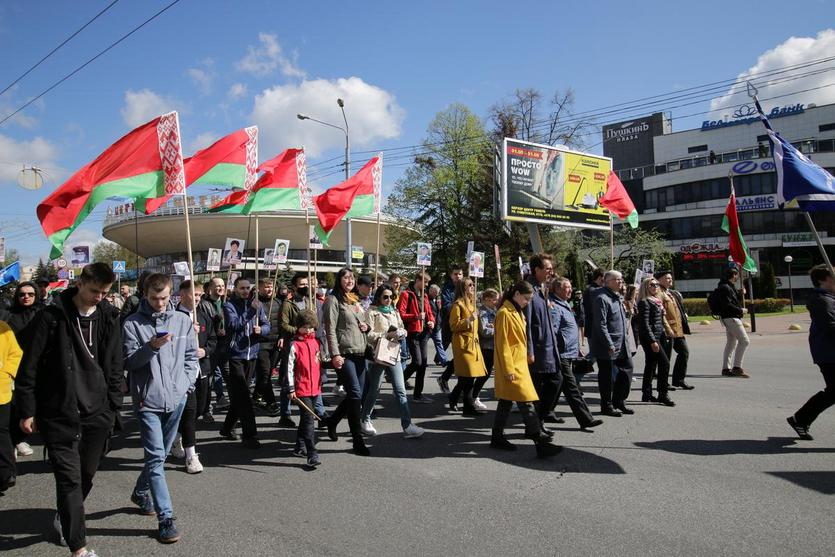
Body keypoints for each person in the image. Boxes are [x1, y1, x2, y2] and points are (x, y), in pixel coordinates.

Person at [16, 263, 123, 556]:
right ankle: (79, 547)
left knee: (86, 476)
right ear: (79, 283)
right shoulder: (51, 317)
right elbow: (30, 366)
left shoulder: (110, 317)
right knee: (69, 479)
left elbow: (115, 366)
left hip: (97, 414)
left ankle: (65, 515)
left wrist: (114, 407)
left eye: (104, 292)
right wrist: (28, 409)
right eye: (93, 291)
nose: (98, 297)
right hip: (59, 413)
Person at [124, 273, 198, 544]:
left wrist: (185, 385)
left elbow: (192, 357)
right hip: (148, 402)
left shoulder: (182, 320)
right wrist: (151, 347)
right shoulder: (132, 323)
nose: (159, 303)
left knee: (163, 454)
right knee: (156, 458)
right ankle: (166, 518)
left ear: (172, 295)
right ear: (145, 295)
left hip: (176, 398)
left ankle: (141, 491)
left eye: (164, 298)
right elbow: (129, 362)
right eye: (154, 298)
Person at [490, 281, 562, 458]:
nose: (528, 302)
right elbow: (503, 344)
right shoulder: (504, 313)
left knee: (506, 402)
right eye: (526, 299)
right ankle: (539, 440)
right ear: (516, 294)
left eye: (530, 299)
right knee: (526, 402)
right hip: (512, 366)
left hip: (518, 365)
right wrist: (508, 369)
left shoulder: (515, 311)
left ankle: (497, 437)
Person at [361, 285, 425, 439]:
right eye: (385, 297)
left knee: (400, 390)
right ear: (378, 297)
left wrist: (402, 332)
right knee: (374, 390)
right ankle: (365, 420)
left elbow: (402, 327)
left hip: (393, 353)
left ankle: (407, 425)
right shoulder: (372, 312)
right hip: (379, 355)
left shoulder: (394, 311)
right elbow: (368, 334)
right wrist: (386, 334)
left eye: (391, 297)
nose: (389, 300)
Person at [322, 268, 371, 456]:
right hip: (344, 353)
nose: (350, 280)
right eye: (346, 277)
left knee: (355, 396)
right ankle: (357, 441)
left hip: (360, 352)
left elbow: (362, 322)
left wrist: (365, 327)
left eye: (352, 277)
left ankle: (333, 421)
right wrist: (335, 354)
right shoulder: (332, 300)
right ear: (339, 280)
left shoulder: (353, 299)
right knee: (356, 395)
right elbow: (330, 329)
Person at [221, 277, 270, 448]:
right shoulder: (229, 305)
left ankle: (227, 428)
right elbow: (234, 325)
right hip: (236, 355)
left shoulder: (257, 304)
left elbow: (266, 325)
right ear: (235, 289)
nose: (245, 291)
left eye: (248, 288)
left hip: (252, 354)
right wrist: (250, 311)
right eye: (242, 288)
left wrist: (261, 329)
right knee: (245, 397)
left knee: (240, 397)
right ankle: (250, 435)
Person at [172, 280, 216, 474]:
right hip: (182, 372)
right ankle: (191, 456)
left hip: (202, 370)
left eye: (199, 295)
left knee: (198, 409)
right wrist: (189, 333)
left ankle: (176, 436)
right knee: (190, 411)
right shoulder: (172, 317)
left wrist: (204, 351)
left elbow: (214, 341)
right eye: (193, 295)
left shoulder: (204, 316)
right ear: (182, 295)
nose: (197, 299)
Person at [787, 264, 835, 440]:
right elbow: (829, 326)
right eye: (833, 276)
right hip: (829, 353)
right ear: (823, 279)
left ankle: (800, 419)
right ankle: (800, 419)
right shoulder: (820, 300)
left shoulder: (829, 298)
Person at [548, 278, 603, 430]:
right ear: (557, 289)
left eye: (571, 287)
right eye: (567, 288)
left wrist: (576, 347)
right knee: (572, 388)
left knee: (557, 386)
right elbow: (553, 331)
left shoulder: (564, 303)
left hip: (569, 352)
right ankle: (586, 419)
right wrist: (559, 350)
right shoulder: (554, 306)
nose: (570, 290)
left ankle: (545, 413)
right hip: (561, 354)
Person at [0, 281, 44, 458]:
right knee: (15, 407)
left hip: (37, 366)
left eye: (30, 294)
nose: (26, 297)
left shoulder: (43, 314)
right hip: (15, 369)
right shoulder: (8, 316)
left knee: (37, 404)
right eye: (22, 294)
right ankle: (15, 440)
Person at [590, 270, 635, 417]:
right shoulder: (601, 298)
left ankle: (619, 400)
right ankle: (606, 405)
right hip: (608, 344)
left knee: (627, 370)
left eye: (621, 279)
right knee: (606, 376)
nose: (621, 282)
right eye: (617, 280)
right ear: (607, 281)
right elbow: (600, 324)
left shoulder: (617, 297)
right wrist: (609, 343)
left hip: (622, 342)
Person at [525, 254, 563, 429]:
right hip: (538, 349)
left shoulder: (541, 288)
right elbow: (527, 323)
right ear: (537, 270)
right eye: (547, 268)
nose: (551, 272)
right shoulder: (529, 291)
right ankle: (535, 425)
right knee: (540, 387)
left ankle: (537, 422)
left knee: (554, 381)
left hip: (548, 347)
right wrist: (529, 350)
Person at [286, 310, 323, 467]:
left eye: (310, 327)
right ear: (298, 327)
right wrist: (290, 388)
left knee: (305, 418)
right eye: (304, 327)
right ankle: (311, 452)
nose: (308, 330)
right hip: (301, 387)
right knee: (309, 420)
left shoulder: (316, 343)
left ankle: (299, 445)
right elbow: (288, 368)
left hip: (315, 387)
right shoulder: (294, 345)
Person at [279, 273, 316, 423]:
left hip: (308, 344)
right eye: (302, 284)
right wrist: (298, 330)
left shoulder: (309, 302)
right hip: (293, 344)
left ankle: (316, 410)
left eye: (306, 284)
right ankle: (285, 413)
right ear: (294, 287)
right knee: (288, 378)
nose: (305, 287)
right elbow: (283, 324)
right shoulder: (287, 304)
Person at [447, 277, 487, 416]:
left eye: (473, 285)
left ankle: (457, 400)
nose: (473, 287)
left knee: (469, 377)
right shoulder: (458, 305)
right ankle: (467, 406)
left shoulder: (472, 304)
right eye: (470, 285)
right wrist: (469, 319)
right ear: (463, 288)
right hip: (463, 344)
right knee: (467, 376)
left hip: (473, 344)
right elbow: (453, 325)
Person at [636, 278, 675, 407]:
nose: (655, 287)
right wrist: (653, 341)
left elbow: (661, 319)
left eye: (657, 284)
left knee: (651, 364)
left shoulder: (656, 300)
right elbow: (645, 324)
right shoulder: (644, 302)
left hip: (660, 335)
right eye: (652, 285)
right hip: (651, 338)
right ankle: (662, 394)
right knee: (664, 363)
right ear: (646, 287)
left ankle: (646, 393)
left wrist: (668, 331)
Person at [399, 272, 436, 403]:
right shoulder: (406, 294)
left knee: (423, 364)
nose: (426, 285)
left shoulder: (424, 295)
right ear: (417, 281)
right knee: (417, 362)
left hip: (424, 333)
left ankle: (418, 394)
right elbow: (401, 314)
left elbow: (429, 312)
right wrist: (415, 317)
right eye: (425, 282)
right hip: (413, 331)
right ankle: (399, 381)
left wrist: (431, 321)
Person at [656, 270, 692, 390]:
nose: (670, 280)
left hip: (678, 330)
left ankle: (679, 379)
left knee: (684, 352)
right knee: (666, 358)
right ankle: (663, 383)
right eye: (667, 278)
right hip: (667, 330)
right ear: (659, 280)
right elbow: (660, 313)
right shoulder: (658, 293)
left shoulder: (671, 293)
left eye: (671, 278)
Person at [252, 278, 281, 418]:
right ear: (259, 288)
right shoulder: (255, 303)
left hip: (275, 343)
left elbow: (282, 322)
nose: (269, 289)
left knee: (268, 374)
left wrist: (282, 337)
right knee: (264, 372)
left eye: (271, 287)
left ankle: (264, 400)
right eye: (266, 287)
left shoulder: (278, 303)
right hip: (261, 343)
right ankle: (264, 399)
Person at [0, 319, 23, 494]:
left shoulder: (3, 328)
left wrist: (7, 372)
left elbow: (15, 353)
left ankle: (6, 473)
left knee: (1, 431)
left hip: (1, 390)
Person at [715, 267, 750, 378]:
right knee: (744, 341)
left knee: (731, 343)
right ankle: (737, 367)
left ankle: (726, 369)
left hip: (729, 318)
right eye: (735, 275)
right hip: (731, 318)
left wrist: (740, 293)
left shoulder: (727, 286)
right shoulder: (725, 287)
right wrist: (740, 310)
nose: (737, 277)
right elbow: (727, 305)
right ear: (731, 275)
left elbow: (732, 300)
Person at [202, 277, 229, 417]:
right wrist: (214, 328)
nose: (221, 288)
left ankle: (231, 407)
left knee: (230, 377)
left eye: (223, 285)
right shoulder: (204, 304)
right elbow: (203, 326)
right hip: (211, 348)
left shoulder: (226, 303)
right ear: (210, 288)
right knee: (209, 380)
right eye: (218, 286)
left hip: (225, 346)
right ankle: (207, 410)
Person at [438, 264, 464, 393]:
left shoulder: (466, 286)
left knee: (462, 355)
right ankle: (446, 379)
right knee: (460, 355)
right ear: (451, 275)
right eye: (455, 274)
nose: (458, 276)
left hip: (465, 326)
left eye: (460, 274)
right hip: (452, 325)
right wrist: (460, 307)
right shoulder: (447, 289)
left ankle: (447, 378)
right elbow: (447, 306)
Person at [473, 288, 498, 408]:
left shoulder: (494, 310)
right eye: (494, 300)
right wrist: (496, 328)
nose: (496, 302)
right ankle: (474, 396)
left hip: (495, 346)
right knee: (484, 373)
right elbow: (484, 331)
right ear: (487, 299)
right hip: (487, 347)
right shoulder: (482, 312)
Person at [428, 284, 448, 367]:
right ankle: (422, 361)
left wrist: (440, 307)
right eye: (435, 292)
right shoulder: (426, 299)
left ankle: (444, 360)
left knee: (439, 343)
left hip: (437, 326)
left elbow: (440, 312)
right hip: (428, 326)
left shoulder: (438, 300)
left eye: (438, 293)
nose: (437, 294)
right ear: (431, 291)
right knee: (423, 344)